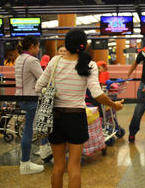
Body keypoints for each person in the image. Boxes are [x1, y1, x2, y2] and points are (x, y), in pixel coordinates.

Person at [35, 29, 124, 188]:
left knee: (58, 167)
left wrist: (54, 93)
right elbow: (97, 94)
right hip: (76, 118)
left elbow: (38, 87)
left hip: (55, 117)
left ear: (67, 44)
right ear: (84, 45)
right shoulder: (89, 65)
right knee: (74, 167)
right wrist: (114, 105)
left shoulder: (55, 61)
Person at [15, 36, 51, 174]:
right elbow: (43, 79)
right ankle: (26, 163)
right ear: (32, 46)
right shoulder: (32, 60)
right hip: (31, 99)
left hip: (21, 98)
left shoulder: (19, 58)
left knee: (40, 121)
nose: (38, 49)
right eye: (37, 46)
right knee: (29, 130)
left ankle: (44, 148)